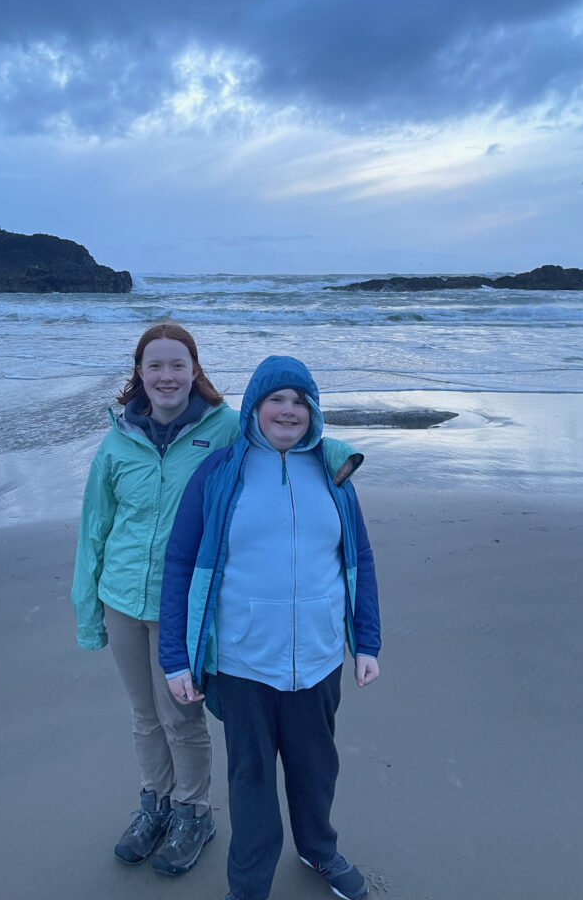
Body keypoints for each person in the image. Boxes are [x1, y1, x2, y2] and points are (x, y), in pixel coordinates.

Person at [159, 355, 381, 900]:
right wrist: (175, 656)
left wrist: (366, 641)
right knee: (251, 782)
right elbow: (181, 563)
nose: (289, 410)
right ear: (254, 407)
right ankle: (249, 883)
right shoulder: (219, 474)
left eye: (300, 401)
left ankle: (319, 851)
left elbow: (360, 560)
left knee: (316, 771)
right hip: (243, 663)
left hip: (320, 657)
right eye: (276, 399)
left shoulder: (334, 473)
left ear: (315, 412)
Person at [71, 323, 239, 876]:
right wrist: (88, 609)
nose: (166, 376)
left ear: (195, 371)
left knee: (181, 717)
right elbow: (95, 526)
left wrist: (336, 453)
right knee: (144, 716)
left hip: (184, 607)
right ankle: (156, 805)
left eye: (177, 364)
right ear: (139, 374)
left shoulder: (225, 431)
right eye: (154, 366)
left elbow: (287, 440)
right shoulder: (117, 441)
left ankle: (194, 813)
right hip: (121, 597)